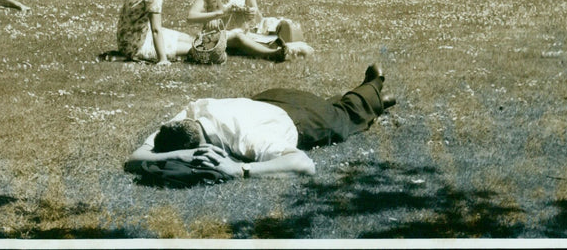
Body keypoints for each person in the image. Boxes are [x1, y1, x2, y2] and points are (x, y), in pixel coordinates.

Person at [125, 62, 397, 180]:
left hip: (301, 119)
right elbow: (135, 158)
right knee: (330, 105)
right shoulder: (192, 112)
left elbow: (304, 164)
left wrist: (240, 170)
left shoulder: (245, 139)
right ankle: (375, 96)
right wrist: (186, 152)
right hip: (273, 98)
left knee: (344, 118)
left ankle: (375, 84)